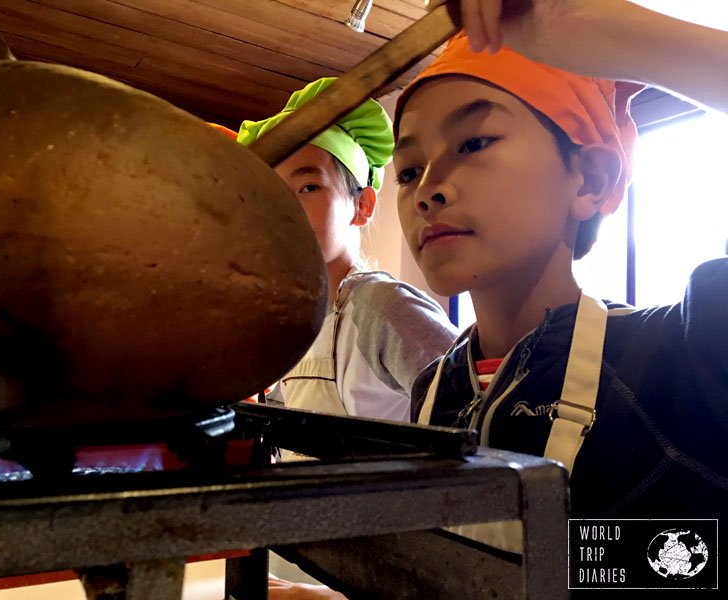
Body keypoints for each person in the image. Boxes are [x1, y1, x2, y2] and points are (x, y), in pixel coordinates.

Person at [397, 0, 728, 549]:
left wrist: (604, 29)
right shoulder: (432, 390)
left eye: (474, 143)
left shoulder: (691, 352)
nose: (428, 187)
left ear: (590, 180)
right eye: (408, 171)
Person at [237, 77, 458, 422]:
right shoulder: (294, 325)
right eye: (271, 193)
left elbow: (471, 414)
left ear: (362, 206)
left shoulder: (383, 307)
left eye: (308, 186)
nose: (284, 210)